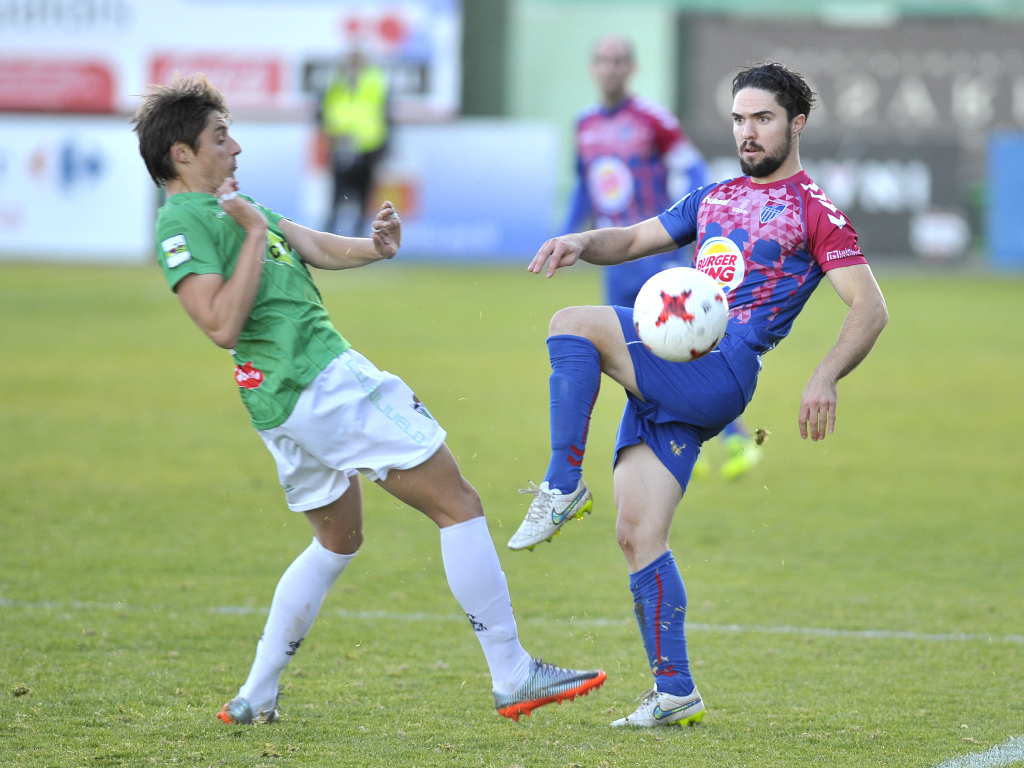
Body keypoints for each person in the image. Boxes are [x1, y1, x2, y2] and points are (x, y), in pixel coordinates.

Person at [132, 74, 605, 725]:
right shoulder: (186, 222)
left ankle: (256, 694)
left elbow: (312, 244)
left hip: (284, 404)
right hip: (321, 383)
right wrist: (244, 234)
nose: (235, 147)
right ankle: (513, 673)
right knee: (458, 504)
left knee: (338, 538)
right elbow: (219, 325)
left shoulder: (236, 207)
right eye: (220, 137)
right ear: (181, 154)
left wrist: (375, 249)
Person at [509, 62, 888, 727]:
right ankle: (675, 690)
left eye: (763, 118)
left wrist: (824, 374)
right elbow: (629, 239)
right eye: (740, 119)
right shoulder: (713, 198)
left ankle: (561, 484)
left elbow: (869, 307)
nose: (748, 131)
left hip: (722, 370)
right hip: (673, 366)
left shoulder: (814, 210)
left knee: (571, 325)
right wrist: (579, 239)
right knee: (638, 532)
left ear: (796, 124)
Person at [565, 35, 759, 483]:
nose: (609, 69)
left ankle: (735, 436)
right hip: (616, 263)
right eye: (602, 61)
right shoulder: (585, 124)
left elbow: (692, 169)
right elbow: (585, 184)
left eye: (618, 62)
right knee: (630, 354)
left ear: (631, 68)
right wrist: (569, 233)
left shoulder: (653, 121)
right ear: (592, 68)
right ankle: (665, 442)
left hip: (655, 254)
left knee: (689, 343)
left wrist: (693, 221)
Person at [318, 49, 390, 237]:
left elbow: (386, 114)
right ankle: (328, 239)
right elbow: (324, 110)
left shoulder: (375, 81)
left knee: (363, 197)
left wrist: (384, 146)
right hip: (341, 144)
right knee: (336, 196)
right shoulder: (335, 82)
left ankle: (360, 240)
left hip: (368, 146)